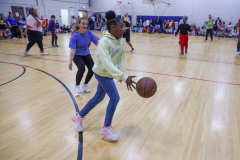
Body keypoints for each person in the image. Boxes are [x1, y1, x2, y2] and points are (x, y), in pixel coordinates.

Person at [71, 10, 136, 141]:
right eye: (121, 27)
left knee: (98, 97)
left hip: (108, 73)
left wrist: (121, 73)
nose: (123, 29)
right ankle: (106, 128)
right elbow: (107, 64)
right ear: (113, 28)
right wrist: (123, 77)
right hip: (102, 73)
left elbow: (122, 58)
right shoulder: (104, 42)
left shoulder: (120, 40)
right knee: (115, 98)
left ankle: (79, 116)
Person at [69, 13, 99, 94]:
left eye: (86, 24)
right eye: (83, 24)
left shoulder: (89, 33)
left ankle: (85, 84)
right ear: (78, 24)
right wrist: (70, 62)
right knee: (81, 68)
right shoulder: (75, 36)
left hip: (86, 53)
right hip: (77, 54)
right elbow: (72, 50)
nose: (85, 25)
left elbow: (97, 44)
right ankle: (77, 86)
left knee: (92, 69)